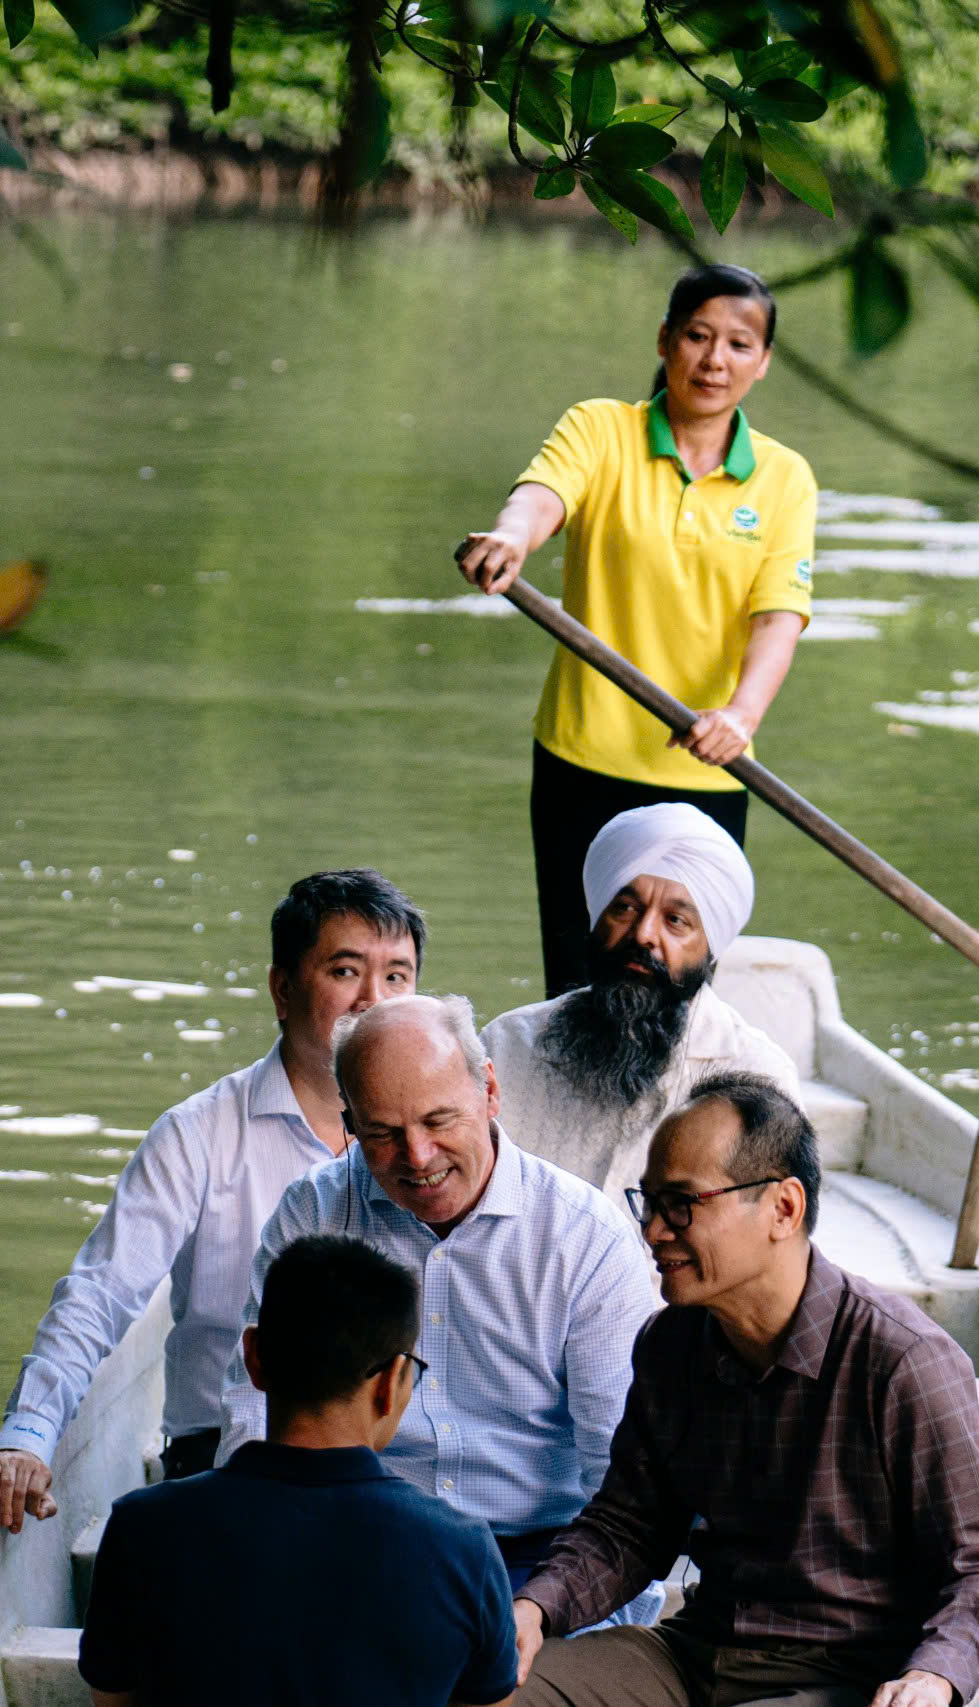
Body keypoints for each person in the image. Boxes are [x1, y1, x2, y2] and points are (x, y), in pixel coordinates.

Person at [510, 1074, 979, 1707]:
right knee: (484, 1690)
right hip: (693, 1652)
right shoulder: (670, 1344)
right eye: (649, 1202)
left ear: (784, 1208)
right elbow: (629, 1526)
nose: (652, 1231)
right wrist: (534, 1608)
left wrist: (935, 1676)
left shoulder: (903, 1360)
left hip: (840, 1675)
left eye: (683, 1204)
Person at [0, 869, 426, 1531]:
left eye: (396, 977)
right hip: (223, 1459)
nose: (373, 1001)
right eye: (345, 971)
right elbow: (101, 1291)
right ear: (283, 989)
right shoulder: (201, 1132)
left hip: (398, 1463)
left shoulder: (433, 1144)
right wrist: (31, 1429)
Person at [217, 995, 661, 1616]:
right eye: (383, 1133)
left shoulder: (586, 1238)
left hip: (538, 1562)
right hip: (356, 1538)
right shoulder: (312, 1215)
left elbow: (620, 1483)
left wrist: (584, 1632)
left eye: (439, 1120)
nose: (418, 1157)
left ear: (489, 1093)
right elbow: (254, 1412)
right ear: (349, 1120)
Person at [457, 262, 819, 997]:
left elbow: (779, 615)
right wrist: (509, 539)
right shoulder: (602, 429)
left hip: (707, 767)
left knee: (680, 991)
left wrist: (740, 717)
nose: (715, 360)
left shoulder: (784, 479)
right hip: (582, 759)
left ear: (764, 362)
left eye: (740, 344)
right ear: (665, 340)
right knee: (576, 978)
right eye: (698, 336)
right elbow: (541, 496)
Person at [79, 1233, 519, 1707]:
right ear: (392, 1383)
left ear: (253, 1357)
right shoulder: (463, 1550)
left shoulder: (139, 1528)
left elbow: (113, 1700)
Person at [486, 803, 799, 1197]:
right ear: (597, 918)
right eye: (625, 908)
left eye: (675, 921)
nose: (644, 934)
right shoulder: (508, 1045)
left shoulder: (757, 1077)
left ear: (710, 949)